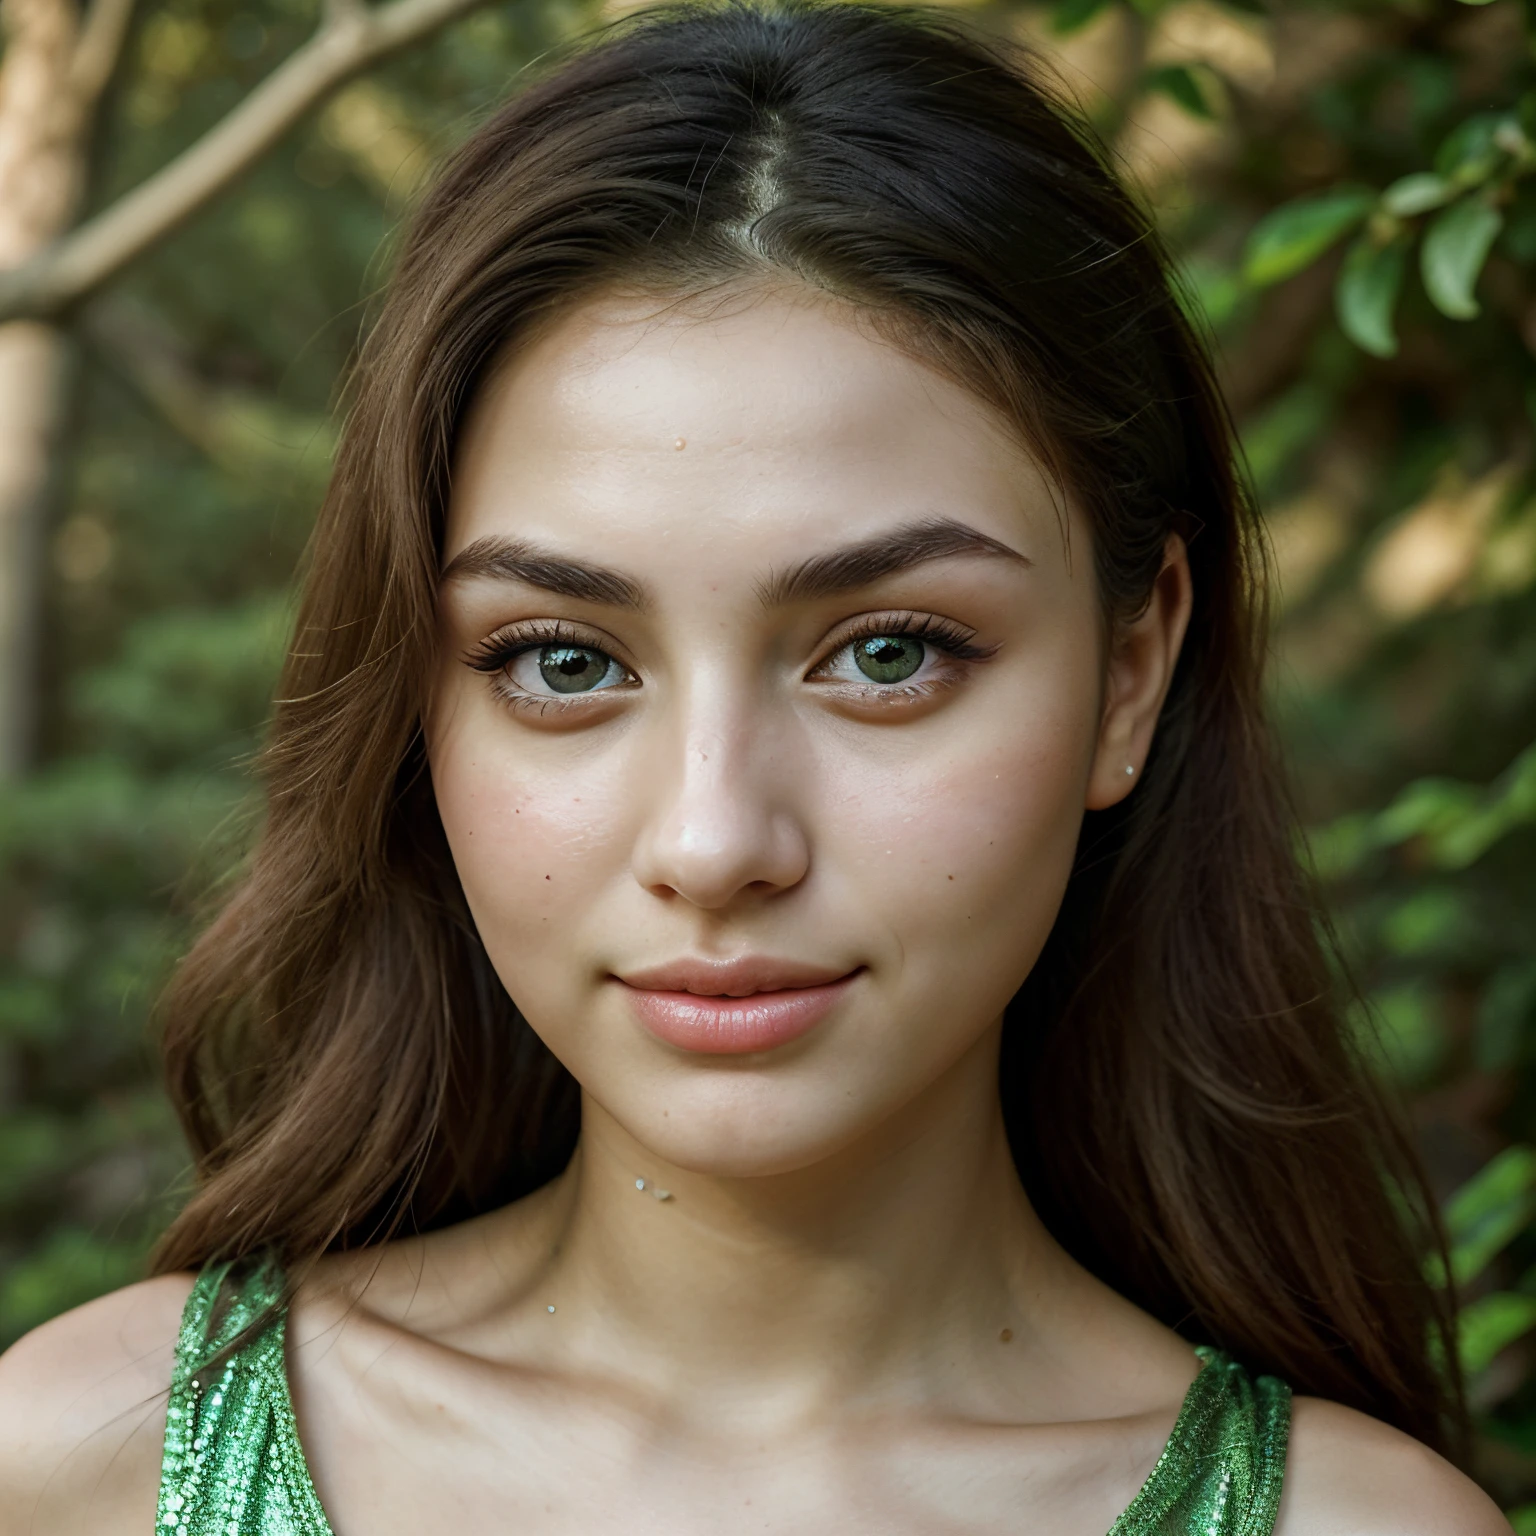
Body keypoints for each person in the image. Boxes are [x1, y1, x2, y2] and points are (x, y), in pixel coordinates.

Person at [0, 4, 1510, 1532]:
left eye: (888, 652)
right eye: (565, 662)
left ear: (1132, 673)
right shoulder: (84, 1467)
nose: (717, 841)